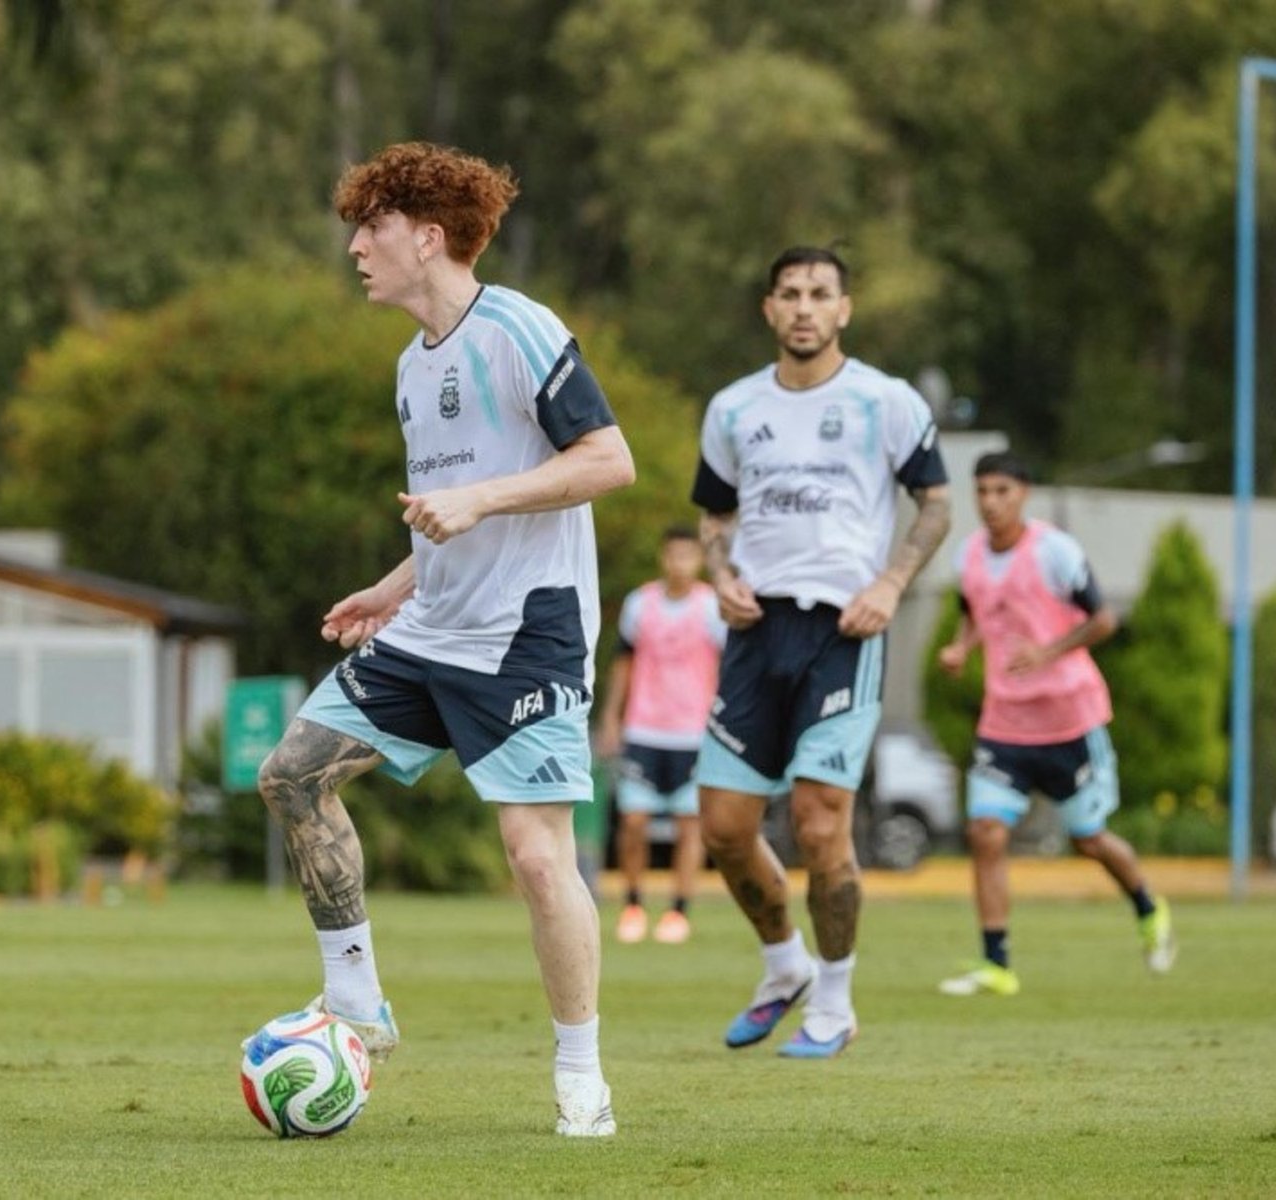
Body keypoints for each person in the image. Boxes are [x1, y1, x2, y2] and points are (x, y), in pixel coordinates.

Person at [255, 142, 635, 1137]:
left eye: (371, 228)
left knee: (535, 857)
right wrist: (388, 589)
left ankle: (580, 1077)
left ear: (426, 237)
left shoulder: (518, 328)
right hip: (429, 631)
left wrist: (477, 499)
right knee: (292, 773)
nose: (354, 248)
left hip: (525, 638)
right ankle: (355, 1003)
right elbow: (449, 515)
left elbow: (609, 460)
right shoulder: (410, 368)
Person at [690, 246, 951, 1058]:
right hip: (753, 631)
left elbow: (936, 504)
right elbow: (712, 519)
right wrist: (720, 572)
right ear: (769, 309)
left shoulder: (885, 401)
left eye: (821, 294)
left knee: (817, 817)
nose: (805, 307)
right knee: (725, 827)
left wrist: (892, 583)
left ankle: (834, 1005)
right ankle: (784, 968)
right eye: (790, 294)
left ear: (845, 309)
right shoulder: (734, 408)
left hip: (843, 631)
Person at [936, 451, 1176, 996]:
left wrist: (1049, 652)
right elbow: (975, 612)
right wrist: (959, 647)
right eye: (983, 492)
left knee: (1088, 840)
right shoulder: (968, 556)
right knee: (986, 833)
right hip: (1005, 723)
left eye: (1002, 491)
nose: (991, 503)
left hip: (1070, 719)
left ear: (1024, 493)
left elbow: (1103, 619)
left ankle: (1146, 905)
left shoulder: (1055, 552)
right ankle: (997, 964)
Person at [595, 526, 726, 945]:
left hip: (694, 733)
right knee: (634, 822)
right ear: (663, 558)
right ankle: (633, 904)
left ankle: (677, 911)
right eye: (674, 556)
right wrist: (612, 717)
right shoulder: (640, 604)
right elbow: (623, 664)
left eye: (689, 556)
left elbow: (728, 668)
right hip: (644, 728)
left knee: (691, 825)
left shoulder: (712, 606)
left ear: (700, 560)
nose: (680, 564)